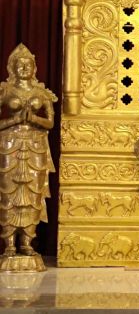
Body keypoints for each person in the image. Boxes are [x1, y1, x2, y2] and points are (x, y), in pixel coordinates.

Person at [0, 44, 57, 257]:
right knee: (8, 193)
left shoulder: (41, 93)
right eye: (20, 64)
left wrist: (33, 118)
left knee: (34, 193)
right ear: (12, 67)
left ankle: (27, 242)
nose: (24, 68)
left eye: (28, 64)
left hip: (35, 144)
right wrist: (14, 120)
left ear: (34, 68)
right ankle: (9, 244)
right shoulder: (5, 91)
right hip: (10, 144)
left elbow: (50, 122)